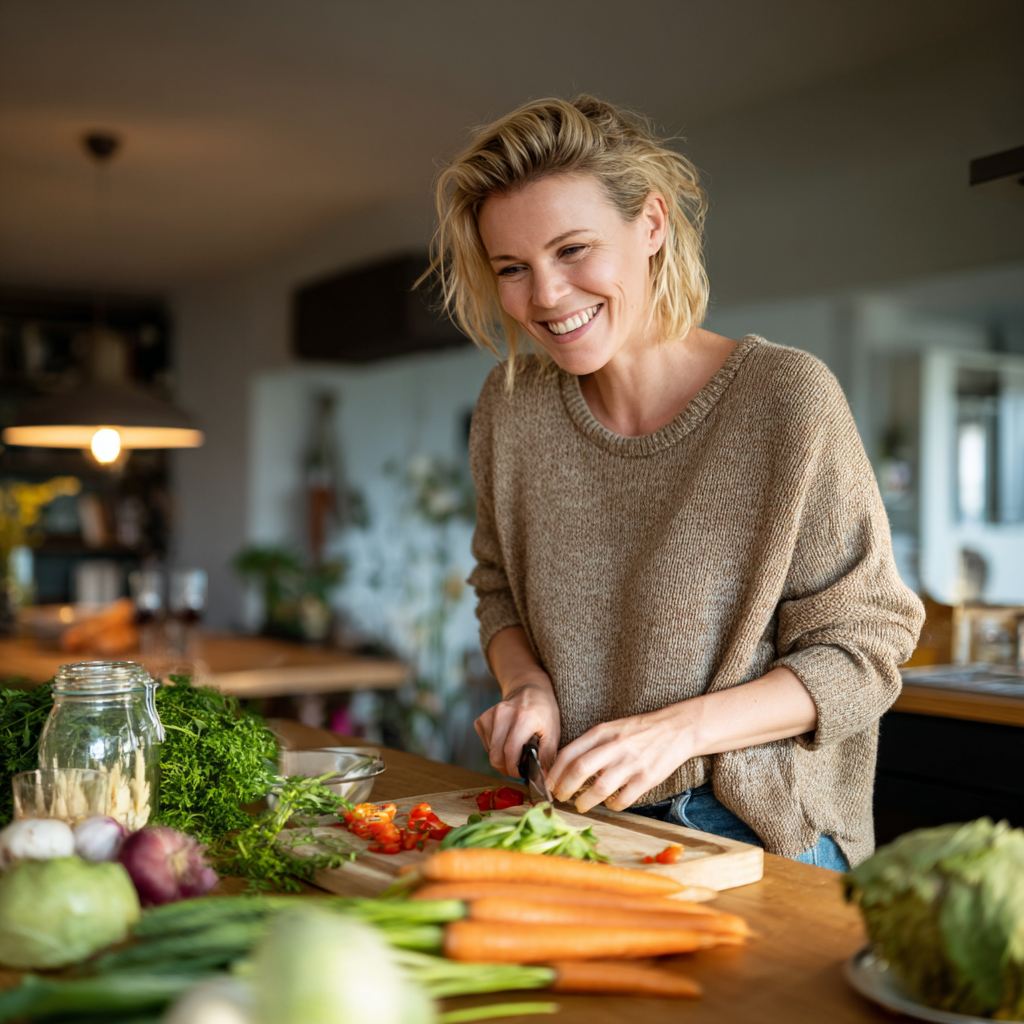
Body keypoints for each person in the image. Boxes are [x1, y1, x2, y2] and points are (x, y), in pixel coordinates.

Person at [425, 95, 923, 870]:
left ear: (651, 224)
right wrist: (527, 685)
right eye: (513, 269)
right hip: (571, 814)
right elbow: (499, 588)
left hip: (752, 822)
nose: (547, 296)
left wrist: (676, 732)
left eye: (573, 249)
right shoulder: (510, 407)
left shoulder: (786, 398)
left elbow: (867, 649)